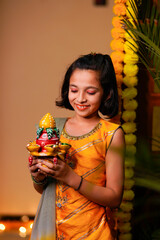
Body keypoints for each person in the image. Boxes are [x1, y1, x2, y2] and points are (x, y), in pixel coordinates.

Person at [29, 53, 125, 240]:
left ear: (107, 93)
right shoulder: (53, 129)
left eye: (90, 92)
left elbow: (114, 198)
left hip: (95, 233)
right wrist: (38, 176)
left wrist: (70, 177)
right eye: (74, 90)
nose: (80, 99)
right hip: (53, 231)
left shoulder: (111, 133)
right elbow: (44, 189)